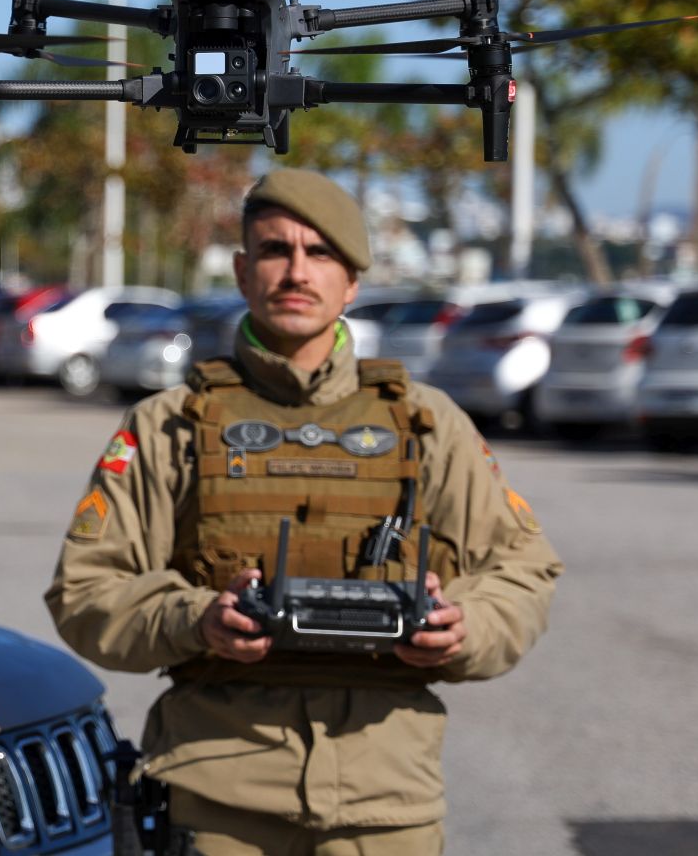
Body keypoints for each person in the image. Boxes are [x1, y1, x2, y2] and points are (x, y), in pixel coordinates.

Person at [46, 169, 561, 855]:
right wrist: (194, 619)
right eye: (274, 250)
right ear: (241, 270)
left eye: (320, 254)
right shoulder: (169, 425)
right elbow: (85, 592)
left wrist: (462, 628)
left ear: (352, 281)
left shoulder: (427, 424)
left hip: (386, 803)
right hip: (219, 797)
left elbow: (522, 572)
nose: (296, 272)